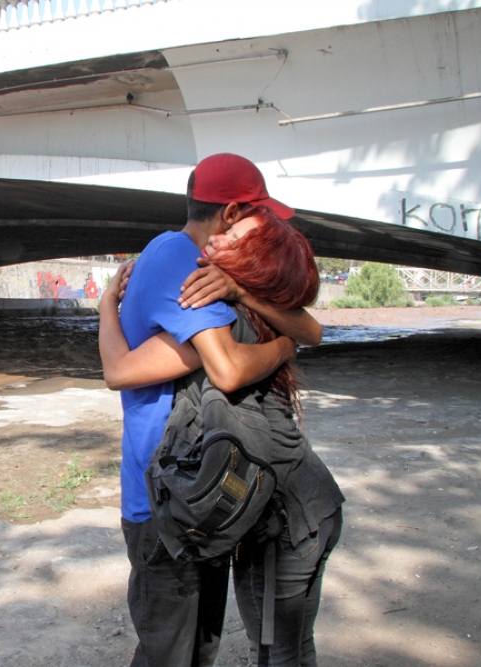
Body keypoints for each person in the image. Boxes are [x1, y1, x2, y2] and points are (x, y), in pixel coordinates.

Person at [97, 153, 327, 667]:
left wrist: (107, 309)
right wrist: (284, 349)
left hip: (199, 489)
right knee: (169, 653)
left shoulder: (207, 273)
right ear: (230, 211)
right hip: (167, 498)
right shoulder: (180, 257)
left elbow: (311, 328)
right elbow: (226, 368)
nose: (264, 225)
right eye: (257, 214)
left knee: (199, 647)